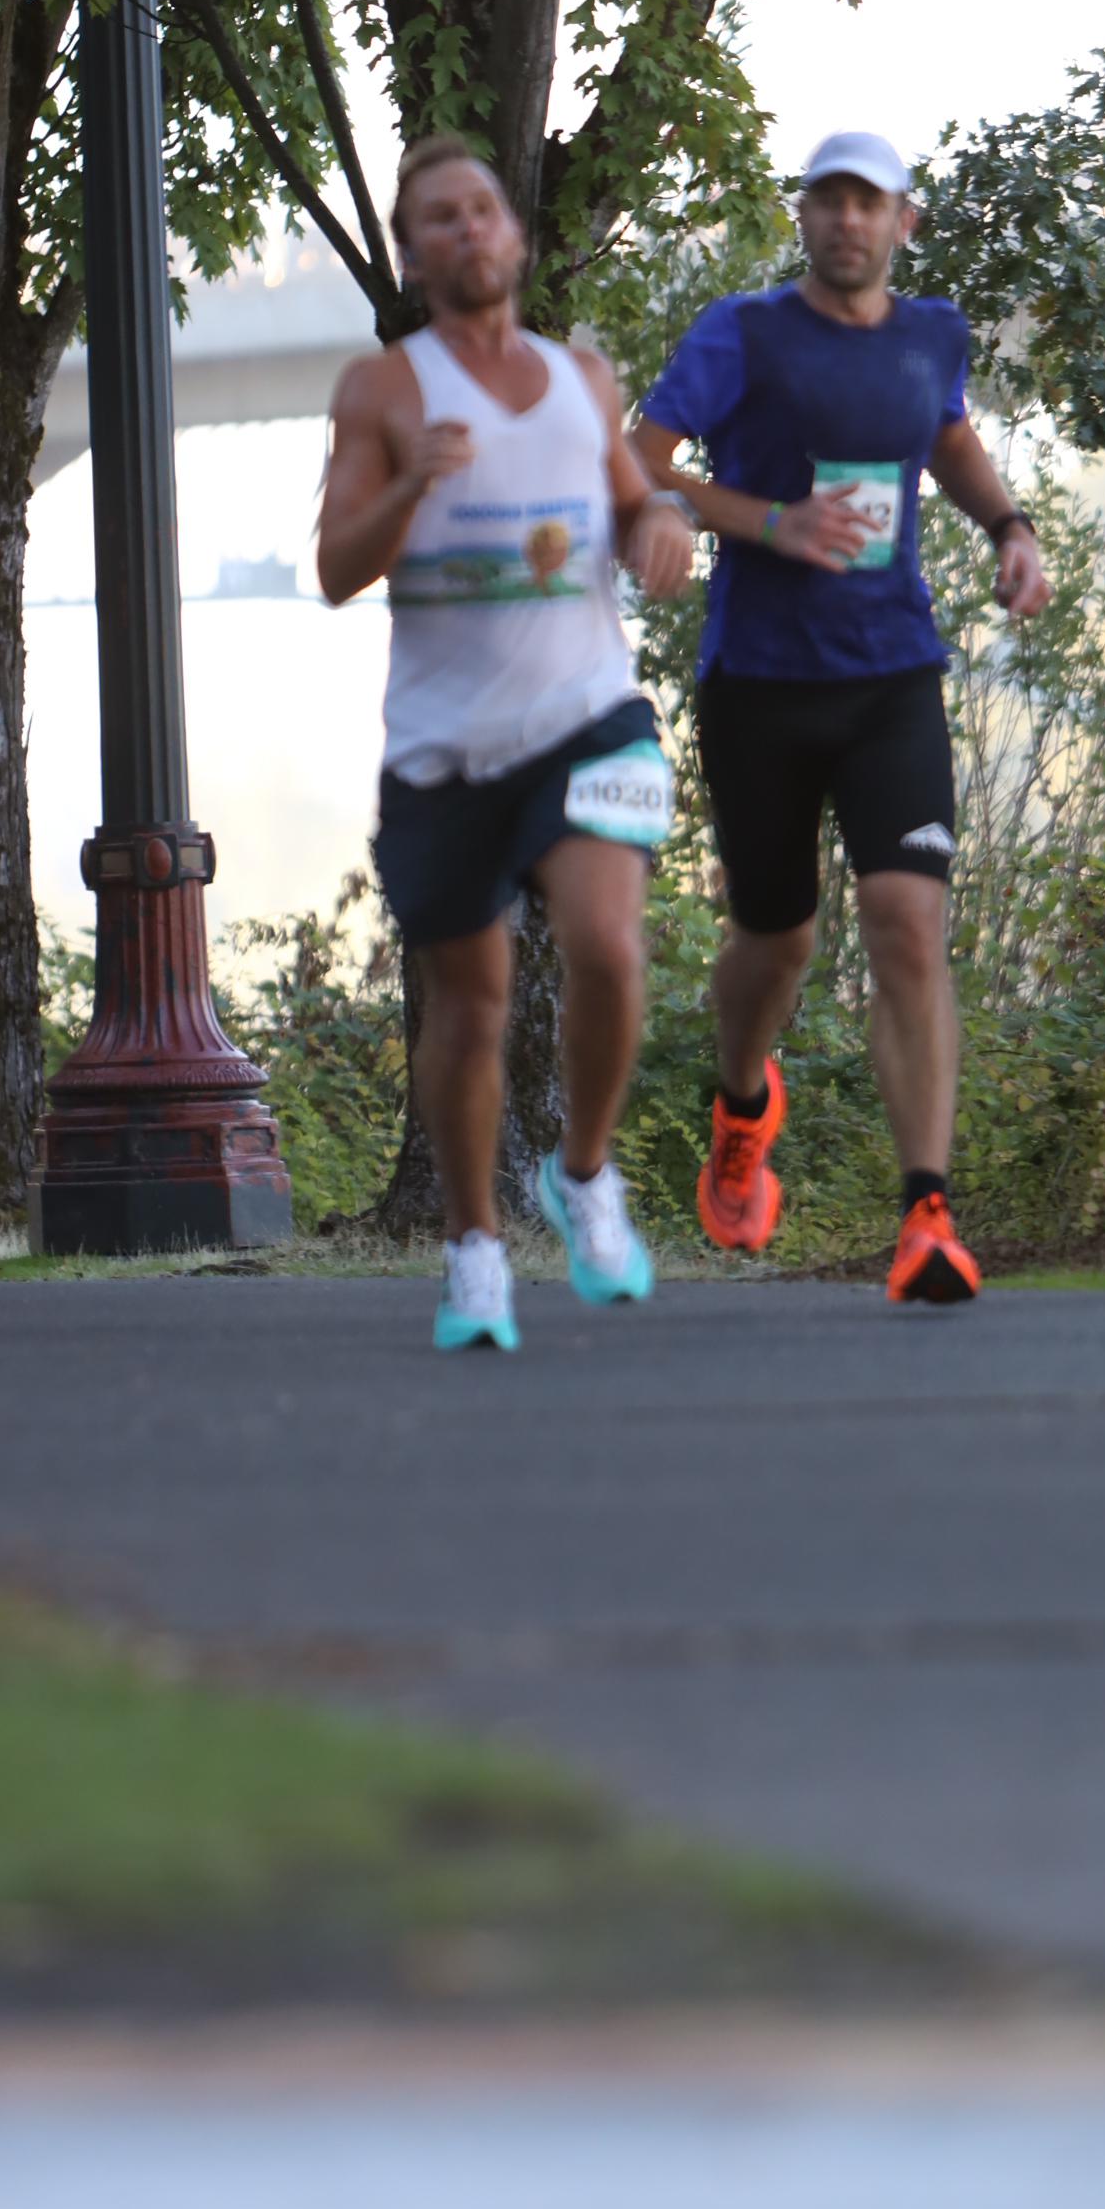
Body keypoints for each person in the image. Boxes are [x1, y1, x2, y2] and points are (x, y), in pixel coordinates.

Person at [633, 128, 1048, 1303]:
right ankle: (740, 1107)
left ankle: (926, 1216)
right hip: (759, 683)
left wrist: (1008, 526)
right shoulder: (742, 332)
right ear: (803, 215)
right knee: (777, 943)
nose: (847, 221)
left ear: (903, 222)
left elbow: (946, 432)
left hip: (889, 676)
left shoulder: (932, 335)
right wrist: (770, 523)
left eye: (869, 203)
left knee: (905, 920)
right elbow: (643, 459)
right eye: (828, 201)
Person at [318, 134, 695, 1352]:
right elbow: (335, 568)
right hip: (443, 750)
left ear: (515, 236)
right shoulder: (382, 391)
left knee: (608, 944)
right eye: (440, 216)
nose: (468, 229)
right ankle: (473, 1247)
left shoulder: (583, 378)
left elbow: (635, 504)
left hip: (587, 715)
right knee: (470, 1009)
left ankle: (581, 1172)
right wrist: (408, 487)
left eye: (482, 208)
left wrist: (660, 526)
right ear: (412, 255)